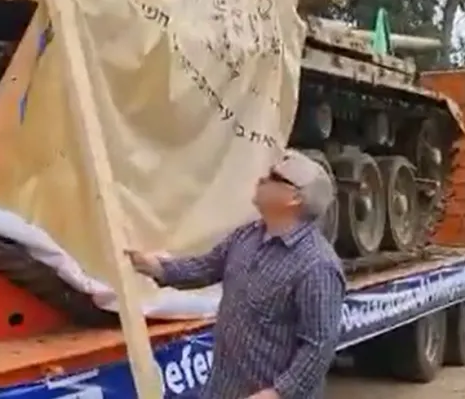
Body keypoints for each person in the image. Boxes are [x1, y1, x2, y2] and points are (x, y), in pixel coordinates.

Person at [126, 150, 345, 399]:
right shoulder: (247, 236)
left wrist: (277, 393)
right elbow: (206, 268)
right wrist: (155, 267)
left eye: (274, 176)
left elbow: (318, 347)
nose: (263, 179)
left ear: (294, 197)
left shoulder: (317, 265)